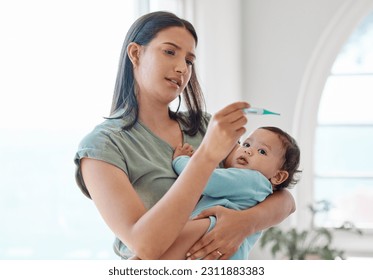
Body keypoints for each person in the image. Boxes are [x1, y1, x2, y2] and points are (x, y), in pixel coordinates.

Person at [74, 11, 296, 260]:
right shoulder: (102, 147)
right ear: (136, 53)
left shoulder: (203, 126)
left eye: (189, 60)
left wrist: (245, 223)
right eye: (169, 52)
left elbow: (283, 200)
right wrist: (206, 156)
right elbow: (145, 246)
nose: (182, 69)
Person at [130, 126, 301, 260]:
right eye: (246, 144)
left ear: (278, 176)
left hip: (213, 231)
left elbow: (204, 180)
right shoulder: (257, 188)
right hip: (219, 250)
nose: (248, 150)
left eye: (262, 151)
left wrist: (181, 161)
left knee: (150, 255)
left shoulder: (252, 179)